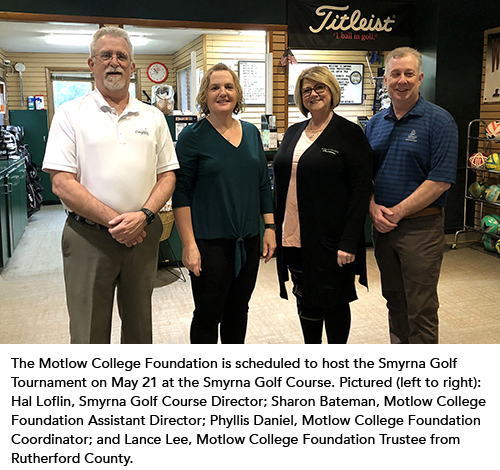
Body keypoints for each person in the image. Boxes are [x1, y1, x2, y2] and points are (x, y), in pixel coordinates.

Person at [42, 26, 178, 344]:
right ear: (92, 64)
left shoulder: (153, 117)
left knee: (140, 329)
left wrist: (142, 215)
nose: (114, 61)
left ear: (132, 67)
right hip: (88, 238)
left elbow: (168, 175)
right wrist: (116, 222)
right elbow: (61, 183)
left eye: (122, 56)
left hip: (142, 236)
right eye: (106, 55)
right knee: (89, 332)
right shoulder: (69, 114)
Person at [172, 63, 275, 344]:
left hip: (249, 239)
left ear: (237, 93)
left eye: (229, 86)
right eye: (215, 87)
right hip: (209, 243)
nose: (222, 92)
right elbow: (181, 194)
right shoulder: (191, 137)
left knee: (238, 311)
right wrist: (189, 244)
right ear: (205, 95)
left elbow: (262, 184)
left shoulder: (252, 133)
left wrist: (269, 226)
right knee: (208, 314)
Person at [365, 47, 458, 344]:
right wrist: (372, 207)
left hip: (421, 229)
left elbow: (440, 181)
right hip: (383, 228)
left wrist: (398, 211)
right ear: (386, 79)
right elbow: (363, 176)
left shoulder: (440, 121)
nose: (401, 81)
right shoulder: (375, 124)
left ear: (419, 78)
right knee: (395, 300)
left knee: (421, 308)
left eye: (408, 74)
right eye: (395, 74)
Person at [273, 66, 373, 344]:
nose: (313, 94)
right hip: (294, 236)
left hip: (332, 240)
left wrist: (350, 241)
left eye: (320, 88)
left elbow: (360, 190)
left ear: (332, 91)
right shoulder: (293, 132)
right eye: (307, 89)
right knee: (305, 298)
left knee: (334, 301)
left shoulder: (349, 133)